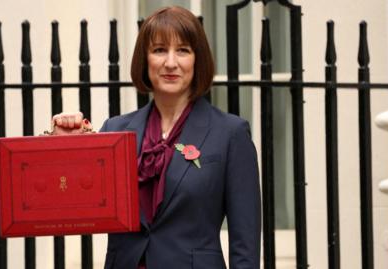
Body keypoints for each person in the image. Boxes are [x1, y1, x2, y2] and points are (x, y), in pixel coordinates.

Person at [51, 6, 261, 269]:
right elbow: (70, 203)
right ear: (145, 59)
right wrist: (62, 146)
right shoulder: (115, 130)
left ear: (198, 60)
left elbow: (246, 247)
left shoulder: (230, 134)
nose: (170, 63)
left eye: (183, 50)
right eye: (159, 49)